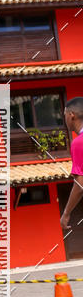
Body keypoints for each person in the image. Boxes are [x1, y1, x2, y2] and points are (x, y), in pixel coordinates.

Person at [61, 97, 83, 231]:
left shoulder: (79, 143)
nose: (65, 120)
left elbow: (80, 185)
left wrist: (66, 213)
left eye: (65, 116)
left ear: (71, 115)